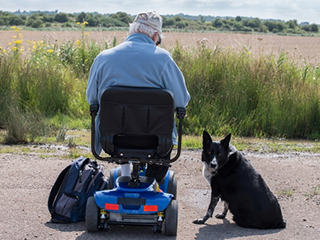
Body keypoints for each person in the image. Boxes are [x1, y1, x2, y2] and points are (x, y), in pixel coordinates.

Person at [86, 11, 190, 182]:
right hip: (156, 142)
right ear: (156, 35)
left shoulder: (103, 58)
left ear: (131, 30)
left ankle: (125, 174)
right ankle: (152, 181)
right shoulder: (163, 59)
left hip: (112, 140)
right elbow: (181, 101)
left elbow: (92, 100)